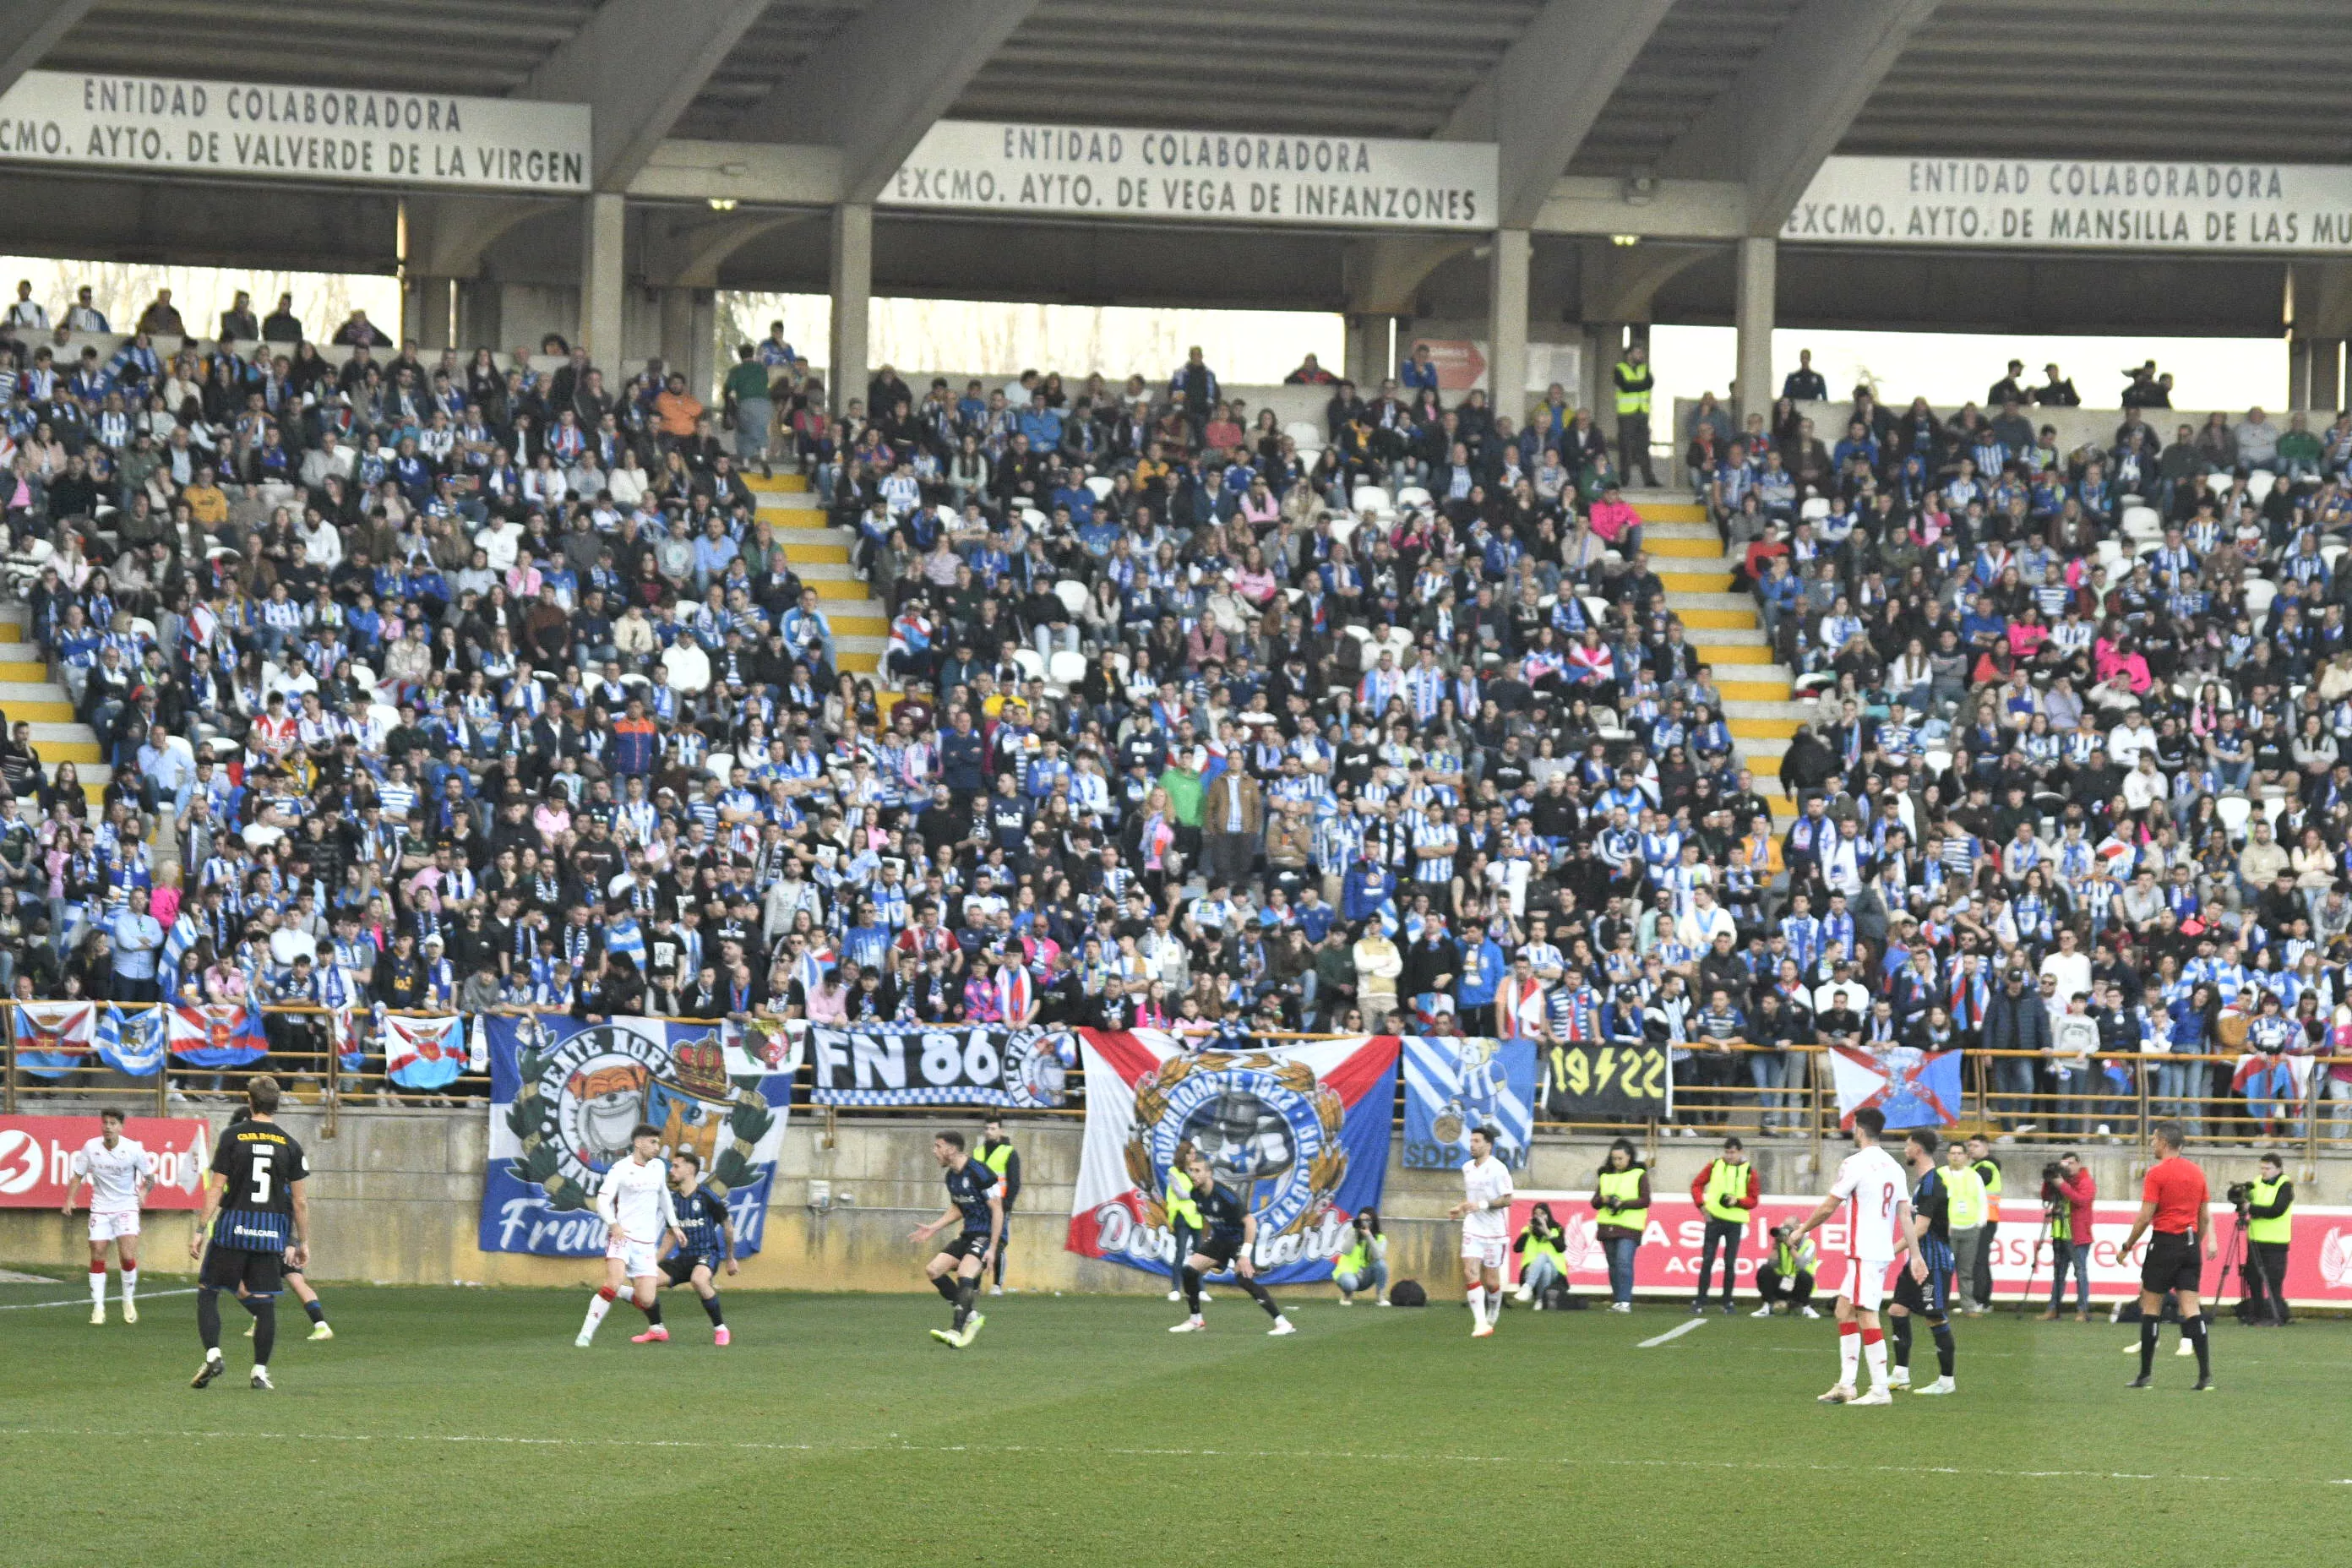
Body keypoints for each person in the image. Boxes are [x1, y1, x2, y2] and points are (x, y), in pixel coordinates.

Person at [1779, 1106, 1925, 1407]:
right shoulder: (1894, 1166)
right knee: (1844, 1310)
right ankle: (1846, 1385)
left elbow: (1828, 1207)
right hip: (1879, 1251)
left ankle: (1880, 1389)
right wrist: (1916, 1255)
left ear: (1859, 1129)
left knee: (1866, 1313)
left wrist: (1800, 1231)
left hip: (1865, 1251)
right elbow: (1905, 1216)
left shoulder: (1855, 1163)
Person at [188, 1076, 309, 1391]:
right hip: (270, 1233)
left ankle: (213, 1354)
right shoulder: (291, 1145)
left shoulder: (232, 1136)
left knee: (208, 1289)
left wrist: (201, 1229)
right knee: (266, 1302)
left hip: (233, 1229)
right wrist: (302, 1242)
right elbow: (300, 1201)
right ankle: (259, 1371)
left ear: (250, 1100)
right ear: (277, 1104)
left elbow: (216, 1188)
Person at [2121, 1120, 2215, 1391]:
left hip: (2164, 1243)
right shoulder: (2198, 1173)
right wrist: (2196, 1243)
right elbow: (2205, 1216)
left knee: (2151, 1307)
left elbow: (2144, 1217)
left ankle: (2145, 1375)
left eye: (2153, 1140)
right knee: (2191, 1308)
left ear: (2163, 1142)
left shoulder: (2157, 1173)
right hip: (2190, 1244)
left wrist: (2127, 1245)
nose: (2152, 1144)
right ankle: (2205, 1376)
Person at [575, 1124, 683, 1348]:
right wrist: (614, 1225)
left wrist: (675, 1226)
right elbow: (603, 1201)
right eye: (653, 1142)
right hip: (622, 1238)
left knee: (647, 1299)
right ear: (638, 1143)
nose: (657, 1147)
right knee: (612, 1282)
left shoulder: (658, 1168)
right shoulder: (620, 1169)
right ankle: (585, 1335)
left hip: (646, 1244)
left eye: (658, 1142)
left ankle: (621, 1293)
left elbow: (664, 1197)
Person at [1167, 1146, 1293, 1336]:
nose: (1193, 1174)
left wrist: (1244, 1255)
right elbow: (1211, 1220)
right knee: (1189, 1271)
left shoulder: (1224, 1195)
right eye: (1190, 1170)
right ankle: (1196, 1320)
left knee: (1243, 1279)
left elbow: (1250, 1222)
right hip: (1220, 1239)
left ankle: (1283, 1323)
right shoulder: (1195, 1194)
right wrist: (1210, 1252)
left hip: (1239, 1239)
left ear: (1209, 1173)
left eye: (1197, 1170)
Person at [912, 1130, 1003, 1348]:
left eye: (938, 1146)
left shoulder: (979, 1172)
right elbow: (958, 1208)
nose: (934, 1151)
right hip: (969, 1233)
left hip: (987, 1234)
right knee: (933, 1270)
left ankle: (956, 1330)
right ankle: (970, 1313)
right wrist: (934, 1228)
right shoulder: (951, 1176)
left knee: (965, 1272)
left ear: (952, 1149)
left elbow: (998, 1210)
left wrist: (992, 1247)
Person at [63, 1107, 152, 1325]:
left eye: (113, 1124)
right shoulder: (91, 1147)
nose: (108, 1127)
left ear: (121, 1127)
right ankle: (98, 1307)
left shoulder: (133, 1149)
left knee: (127, 1255)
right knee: (97, 1252)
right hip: (101, 1207)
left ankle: (128, 1300)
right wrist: (69, 1199)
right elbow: (77, 1176)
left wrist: (143, 1191)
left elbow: (150, 1179)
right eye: (105, 1123)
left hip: (126, 1206)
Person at [1887, 1129, 1959, 1396]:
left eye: (1907, 1145)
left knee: (1934, 1318)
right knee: (1896, 1309)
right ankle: (1900, 1374)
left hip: (1932, 1262)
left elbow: (1919, 1229)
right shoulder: (1923, 1182)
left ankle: (1946, 1381)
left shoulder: (1932, 1184)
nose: (1905, 1150)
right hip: (1918, 1259)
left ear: (1917, 1148)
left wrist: (1889, 1251)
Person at [661, 1149, 738, 1346]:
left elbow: (728, 1226)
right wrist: (654, 1261)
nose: (672, 1170)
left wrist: (730, 1258)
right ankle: (656, 1328)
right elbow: (671, 1234)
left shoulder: (707, 1196)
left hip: (706, 1255)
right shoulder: (673, 1200)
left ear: (690, 1169)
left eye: (676, 1166)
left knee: (699, 1279)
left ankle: (721, 1329)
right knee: (646, 1281)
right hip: (683, 1258)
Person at [1448, 1124, 1514, 1338]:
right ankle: (1480, 1323)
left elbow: (1507, 1199)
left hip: (1494, 1230)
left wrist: (1482, 1205)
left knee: (1492, 1281)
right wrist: (1461, 1207)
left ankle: (1494, 1309)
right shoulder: (1467, 1167)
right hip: (1473, 1226)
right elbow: (1472, 1199)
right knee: (1469, 1272)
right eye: (1471, 1141)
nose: (1472, 1145)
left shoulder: (1498, 1169)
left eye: (1477, 1141)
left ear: (1489, 1144)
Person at [1690, 1135, 1757, 1315]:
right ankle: (1700, 1300)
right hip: (1714, 1218)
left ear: (1740, 1152)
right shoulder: (1714, 1165)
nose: (1729, 1156)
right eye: (1727, 1152)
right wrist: (1701, 1205)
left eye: (1732, 1153)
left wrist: (1738, 1201)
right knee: (1707, 1260)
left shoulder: (1749, 1170)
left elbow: (1754, 1199)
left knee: (1730, 1262)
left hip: (1734, 1220)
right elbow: (1696, 1184)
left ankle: (1727, 1301)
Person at [1591, 1137, 1649, 1313]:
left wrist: (1622, 1204)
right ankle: (1618, 1300)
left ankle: (1625, 1301)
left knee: (1624, 1262)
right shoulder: (1605, 1175)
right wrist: (1604, 1200)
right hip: (1607, 1225)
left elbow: (1645, 1200)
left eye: (1620, 1158)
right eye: (1614, 1158)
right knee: (1613, 1264)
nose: (1616, 1162)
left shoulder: (1639, 1174)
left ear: (1629, 1157)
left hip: (1630, 1226)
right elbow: (1594, 1202)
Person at [2038, 1152, 2095, 1321]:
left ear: (2079, 1164)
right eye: (2065, 1163)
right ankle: (2053, 1308)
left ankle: (2082, 1310)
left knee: (2080, 1272)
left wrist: (2061, 1184)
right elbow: (2045, 1197)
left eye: (2071, 1163)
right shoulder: (2062, 1180)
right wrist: (2049, 1182)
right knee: (2058, 1273)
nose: (2068, 1167)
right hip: (2060, 1232)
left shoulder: (2086, 1181)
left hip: (2078, 1234)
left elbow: (2081, 1200)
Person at [2240, 1152, 2293, 1327]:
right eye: (2262, 1168)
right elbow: (2245, 1201)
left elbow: (2277, 1209)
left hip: (2276, 1241)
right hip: (2255, 1239)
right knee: (2253, 1278)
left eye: (2268, 1168)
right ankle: (2256, 1313)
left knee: (2273, 1280)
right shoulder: (2256, 1183)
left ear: (2278, 1169)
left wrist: (2252, 1208)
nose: (2264, 1172)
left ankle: (2276, 1314)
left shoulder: (2285, 1185)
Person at [1940, 1139, 1990, 1318]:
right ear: (1947, 1156)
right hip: (1947, 1230)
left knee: (1966, 1271)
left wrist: (1980, 1223)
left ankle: (1968, 1306)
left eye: (1959, 1153)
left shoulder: (1973, 1175)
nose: (1956, 1156)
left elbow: (1982, 1199)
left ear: (1966, 1156)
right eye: (1953, 1153)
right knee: (1943, 1270)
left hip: (1970, 1229)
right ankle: (1939, 1306)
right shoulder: (1940, 1174)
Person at [977, 1116, 1021, 1295]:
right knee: (977, 1243)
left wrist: (1007, 1204)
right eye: (987, 1128)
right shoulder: (978, 1152)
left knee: (999, 1243)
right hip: (980, 1206)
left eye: (993, 1128)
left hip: (1000, 1205)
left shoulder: (1009, 1152)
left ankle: (996, 1285)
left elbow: (1014, 1181)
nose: (989, 1131)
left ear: (1001, 1131)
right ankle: (975, 1284)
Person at [1162, 1138, 1206, 1305]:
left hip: (1196, 1216)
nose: (1194, 1156)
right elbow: (1180, 1193)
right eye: (1191, 1153)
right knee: (1180, 1253)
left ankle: (1200, 1290)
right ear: (1184, 1155)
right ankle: (1175, 1289)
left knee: (1199, 1255)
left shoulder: (1196, 1170)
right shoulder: (1174, 1172)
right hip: (1181, 1215)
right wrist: (1195, 1193)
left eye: (1195, 1153)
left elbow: (1203, 1188)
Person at [1963, 1135, 2003, 1311]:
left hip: (1984, 1219)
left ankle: (1979, 1300)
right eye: (1970, 1145)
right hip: (1985, 1218)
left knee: (1978, 1260)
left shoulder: (1986, 1166)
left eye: (1975, 1146)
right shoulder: (1980, 1166)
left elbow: (1970, 1187)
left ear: (1986, 1147)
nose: (1971, 1149)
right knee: (1981, 1260)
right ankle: (1983, 1300)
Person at [1753, 1224, 1820, 1318]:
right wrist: (1776, 1246)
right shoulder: (1782, 1245)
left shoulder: (1809, 1244)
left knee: (1804, 1275)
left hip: (1800, 1287)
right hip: (1782, 1284)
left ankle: (1806, 1308)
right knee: (1765, 1269)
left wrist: (1790, 1247)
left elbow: (1802, 1264)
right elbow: (1772, 1263)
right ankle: (1767, 1307)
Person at [1511, 1201, 1568, 1309]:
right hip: (1530, 1270)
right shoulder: (1527, 1230)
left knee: (1544, 1257)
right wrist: (1528, 1232)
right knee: (1545, 1267)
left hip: (1555, 1271)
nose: (1539, 1217)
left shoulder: (1557, 1229)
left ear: (1548, 1215)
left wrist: (1547, 1232)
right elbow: (1517, 1249)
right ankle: (1540, 1300)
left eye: (1542, 1214)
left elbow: (1562, 1248)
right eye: (1536, 1214)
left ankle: (1527, 1287)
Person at [1334, 1206, 1389, 1305]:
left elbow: (1378, 1256)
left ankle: (1380, 1296)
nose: (1363, 1223)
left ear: (1373, 1222)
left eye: (1367, 1220)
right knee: (1350, 1284)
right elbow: (1346, 1251)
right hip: (1348, 1272)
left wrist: (1369, 1236)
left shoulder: (1380, 1238)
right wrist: (1355, 1233)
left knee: (1381, 1264)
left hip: (1365, 1275)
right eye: (1361, 1220)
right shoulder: (1352, 1232)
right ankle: (1347, 1295)